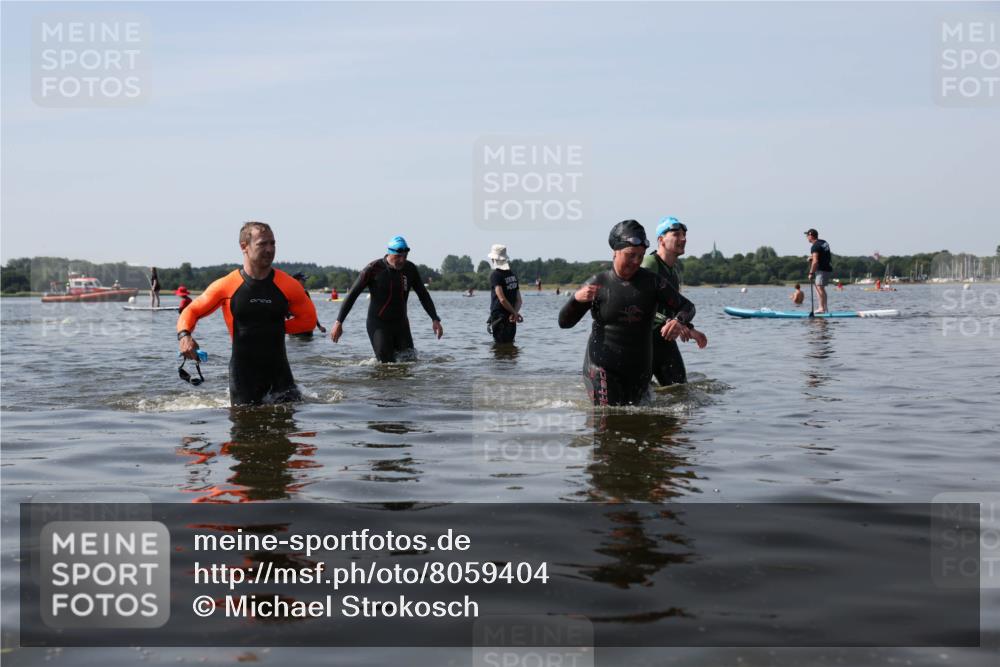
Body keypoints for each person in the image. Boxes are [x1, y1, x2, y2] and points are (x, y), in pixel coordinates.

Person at [559, 220, 707, 406]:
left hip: (639, 370)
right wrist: (575, 300)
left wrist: (679, 321)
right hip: (602, 367)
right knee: (608, 419)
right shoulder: (598, 284)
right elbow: (564, 322)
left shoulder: (652, 283)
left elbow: (687, 306)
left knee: (641, 420)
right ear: (615, 251)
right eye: (631, 255)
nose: (636, 261)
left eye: (640, 256)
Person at [177, 222, 317, 406]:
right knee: (244, 420)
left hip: (280, 373)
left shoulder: (288, 285)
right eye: (262, 244)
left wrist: (273, 328)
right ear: (244, 246)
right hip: (243, 376)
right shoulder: (226, 285)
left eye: (272, 243)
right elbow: (191, 310)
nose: (270, 249)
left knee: (291, 418)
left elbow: (308, 320)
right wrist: (184, 336)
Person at [329, 235, 443, 362]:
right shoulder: (373, 269)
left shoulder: (410, 269)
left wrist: (435, 318)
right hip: (379, 324)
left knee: (409, 361)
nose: (402, 260)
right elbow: (352, 295)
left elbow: (423, 295)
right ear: (389, 253)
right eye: (398, 256)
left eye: (405, 256)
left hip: (401, 324)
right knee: (386, 364)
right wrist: (339, 322)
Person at [640, 216, 693, 386]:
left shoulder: (673, 272)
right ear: (661, 240)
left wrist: (687, 327)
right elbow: (637, 304)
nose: (683, 239)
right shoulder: (650, 264)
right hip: (642, 342)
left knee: (680, 390)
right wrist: (670, 321)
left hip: (663, 340)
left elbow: (672, 309)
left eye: (684, 235)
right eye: (676, 234)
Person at [487, 244, 522, 344]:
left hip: (500, 318)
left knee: (500, 348)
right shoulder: (513, 275)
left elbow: (502, 299)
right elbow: (519, 300)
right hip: (511, 319)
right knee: (510, 344)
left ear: (494, 259)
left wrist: (514, 313)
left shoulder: (496, 275)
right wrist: (514, 313)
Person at [805, 228, 833, 314]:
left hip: (822, 270)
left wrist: (811, 273)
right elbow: (823, 254)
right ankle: (824, 308)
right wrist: (812, 257)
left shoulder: (815, 246)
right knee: (820, 288)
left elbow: (815, 261)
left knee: (819, 287)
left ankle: (822, 308)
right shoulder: (823, 242)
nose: (806, 237)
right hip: (827, 268)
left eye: (807, 235)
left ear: (811, 236)